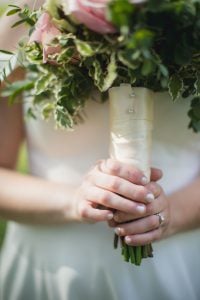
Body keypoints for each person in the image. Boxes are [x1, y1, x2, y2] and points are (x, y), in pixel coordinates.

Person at [1, 3, 200, 300]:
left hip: (176, 266)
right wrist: (74, 201)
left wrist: (171, 215)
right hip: (52, 269)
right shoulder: (26, 14)